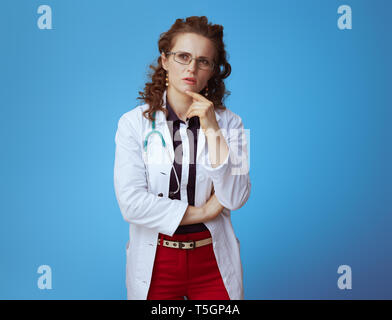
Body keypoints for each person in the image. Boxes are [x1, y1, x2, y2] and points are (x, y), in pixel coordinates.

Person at [113, 16, 251, 300]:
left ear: (212, 70)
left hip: (211, 261)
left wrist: (212, 127)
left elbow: (236, 197)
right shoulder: (132, 124)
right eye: (183, 56)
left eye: (203, 61)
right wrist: (202, 212)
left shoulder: (232, 125)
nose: (191, 68)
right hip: (157, 262)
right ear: (164, 60)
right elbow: (131, 204)